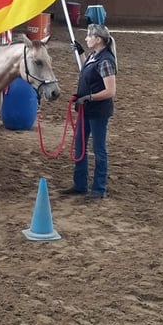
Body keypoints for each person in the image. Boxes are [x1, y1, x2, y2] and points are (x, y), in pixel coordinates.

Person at [59, 24, 118, 200]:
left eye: (89, 36)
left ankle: (99, 189)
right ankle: (80, 185)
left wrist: (89, 97)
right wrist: (81, 52)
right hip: (86, 109)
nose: (86, 38)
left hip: (97, 111)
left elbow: (110, 91)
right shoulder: (94, 56)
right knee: (80, 147)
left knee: (99, 150)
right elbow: (87, 69)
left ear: (98, 39)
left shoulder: (106, 61)